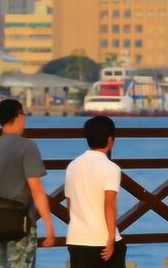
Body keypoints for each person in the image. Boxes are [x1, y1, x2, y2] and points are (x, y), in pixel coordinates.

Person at [0, 99, 55, 267]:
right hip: (20, 222)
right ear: (18, 117)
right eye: (24, 114)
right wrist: (48, 223)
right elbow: (36, 189)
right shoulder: (27, 146)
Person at [65, 115, 126, 268]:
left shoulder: (72, 165)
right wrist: (111, 238)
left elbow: (70, 203)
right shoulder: (111, 168)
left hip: (76, 239)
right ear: (111, 140)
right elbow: (109, 205)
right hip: (102, 240)